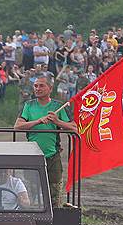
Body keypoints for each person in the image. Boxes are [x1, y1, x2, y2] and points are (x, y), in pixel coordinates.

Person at [13, 72, 77, 207]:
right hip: (32, 156)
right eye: (35, 86)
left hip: (53, 156)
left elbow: (74, 128)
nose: (37, 89)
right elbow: (17, 126)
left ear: (50, 88)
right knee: (31, 194)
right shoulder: (28, 105)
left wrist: (57, 121)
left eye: (41, 86)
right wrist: (37, 121)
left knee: (55, 194)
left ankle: (56, 222)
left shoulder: (58, 106)